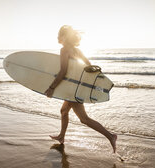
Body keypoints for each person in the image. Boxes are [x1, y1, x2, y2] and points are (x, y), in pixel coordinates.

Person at [44, 25, 117, 153]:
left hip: (73, 91)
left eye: (59, 34)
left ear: (64, 37)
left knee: (84, 119)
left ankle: (111, 136)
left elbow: (63, 71)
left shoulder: (64, 50)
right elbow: (88, 66)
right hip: (76, 88)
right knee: (64, 111)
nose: (57, 37)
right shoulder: (77, 50)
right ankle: (61, 136)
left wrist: (51, 88)